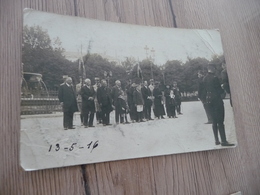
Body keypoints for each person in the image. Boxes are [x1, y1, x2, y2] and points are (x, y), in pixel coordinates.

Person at [203, 64, 235, 146]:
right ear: (212, 69)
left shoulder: (204, 78)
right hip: (217, 101)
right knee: (220, 121)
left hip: (209, 101)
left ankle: (216, 140)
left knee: (214, 121)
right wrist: (223, 88)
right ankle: (223, 141)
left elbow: (204, 91)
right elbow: (220, 91)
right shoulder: (215, 78)